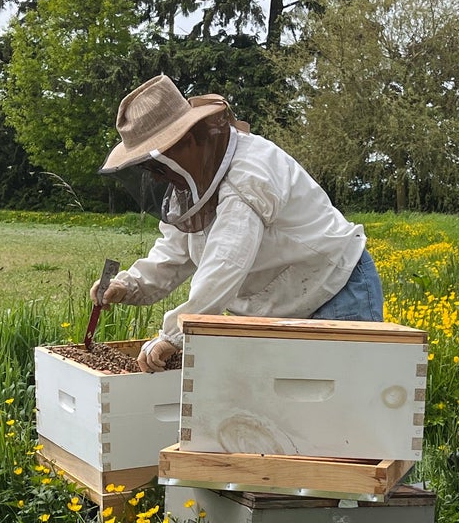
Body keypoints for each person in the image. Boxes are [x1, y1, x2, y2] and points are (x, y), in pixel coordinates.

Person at [90, 75, 383, 371]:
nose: (154, 175)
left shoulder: (250, 173)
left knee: (342, 412)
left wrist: (177, 334)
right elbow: (175, 251)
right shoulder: (191, 183)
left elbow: (226, 260)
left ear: (186, 140)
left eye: (155, 162)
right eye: (146, 166)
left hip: (336, 293)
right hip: (272, 313)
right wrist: (129, 285)